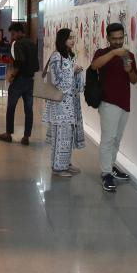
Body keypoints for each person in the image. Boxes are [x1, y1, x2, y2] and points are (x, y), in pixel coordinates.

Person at [90, 22, 137, 192]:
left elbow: (134, 80)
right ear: (108, 38)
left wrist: (129, 70)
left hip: (124, 102)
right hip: (108, 102)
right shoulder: (102, 53)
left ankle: (110, 166)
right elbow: (94, 66)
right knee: (108, 139)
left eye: (120, 38)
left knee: (117, 139)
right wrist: (113, 53)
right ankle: (106, 173)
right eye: (114, 38)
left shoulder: (129, 55)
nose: (118, 41)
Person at [42, 28, 85, 177]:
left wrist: (77, 71)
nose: (73, 40)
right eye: (69, 38)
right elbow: (56, 80)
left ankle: (65, 163)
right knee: (60, 136)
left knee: (68, 136)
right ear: (62, 39)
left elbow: (72, 80)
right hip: (59, 105)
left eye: (73, 37)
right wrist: (72, 70)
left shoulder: (69, 55)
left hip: (70, 104)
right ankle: (58, 168)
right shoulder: (56, 56)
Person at [0, 21, 38, 145]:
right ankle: (26, 137)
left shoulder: (18, 44)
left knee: (11, 107)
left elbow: (19, 62)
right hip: (30, 81)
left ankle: (8, 134)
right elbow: (36, 64)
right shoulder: (32, 43)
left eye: (13, 34)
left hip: (19, 81)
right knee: (29, 109)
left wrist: (12, 75)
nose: (12, 37)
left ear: (20, 32)